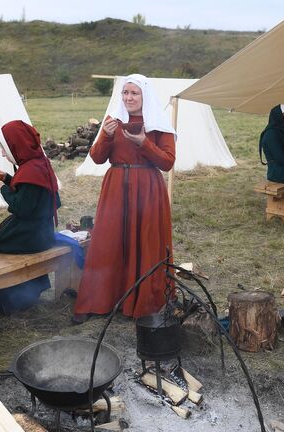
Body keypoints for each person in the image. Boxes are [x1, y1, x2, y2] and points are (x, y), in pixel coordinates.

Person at [73, 74, 176, 323]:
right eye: (125, 93)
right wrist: (106, 136)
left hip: (148, 190)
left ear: (144, 96)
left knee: (145, 242)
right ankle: (101, 299)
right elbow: (97, 158)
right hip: (116, 188)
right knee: (108, 242)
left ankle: (142, 302)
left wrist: (143, 143)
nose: (129, 98)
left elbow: (167, 162)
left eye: (134, 93)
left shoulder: (157, 123)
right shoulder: (113, 121)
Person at [0, 120, 61, 314]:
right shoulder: (37, 164)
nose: (3, 153)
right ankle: (28, 292)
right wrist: (6, 178)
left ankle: (10, 301)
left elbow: (23, 207)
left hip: (32, 235)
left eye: (5, 148)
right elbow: (29, 194)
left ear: (15, 145)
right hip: (42, 231)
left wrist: (3, 188)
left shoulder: (31, 170)